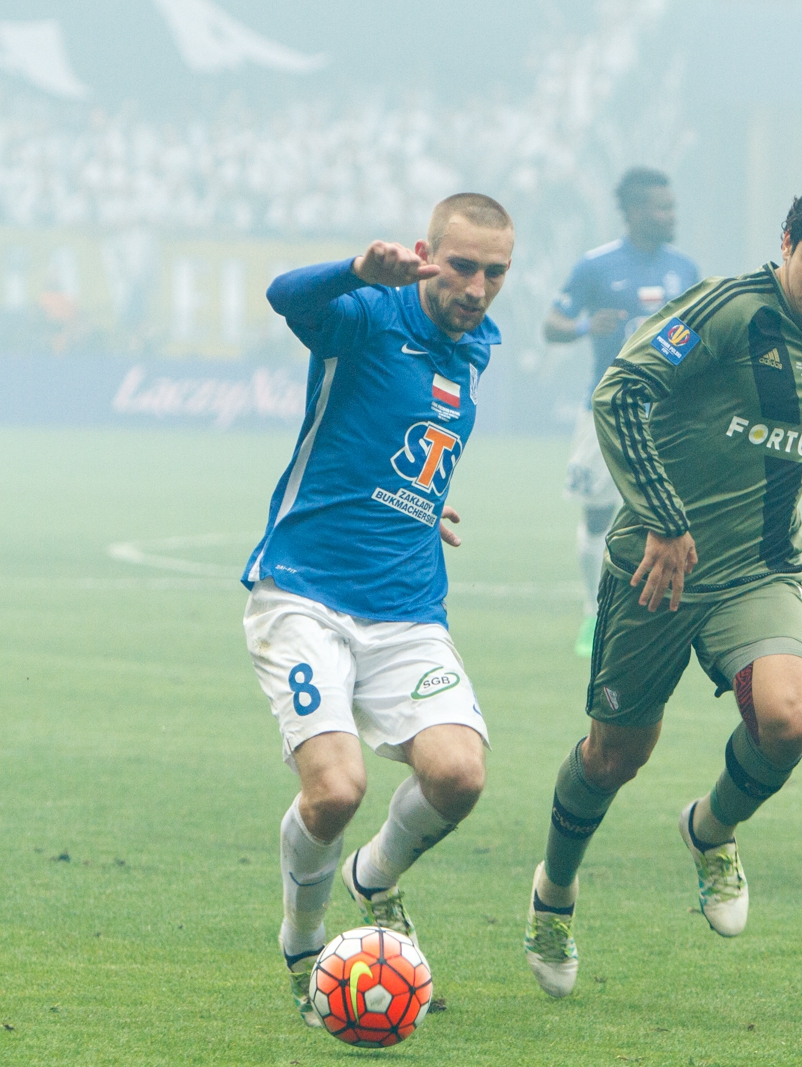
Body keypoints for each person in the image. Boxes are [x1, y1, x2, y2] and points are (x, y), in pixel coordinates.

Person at [523, 175, 802, 997]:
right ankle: (555, 890)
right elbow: (620, 392)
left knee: (787, 721)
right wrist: (664, 518)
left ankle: (710, 828)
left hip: (758, 570)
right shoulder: (729, 309)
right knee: (615, 756)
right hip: (658, 566)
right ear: (786, 244)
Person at [242, 193, 513, 1026]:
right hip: (305, 592)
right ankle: (304, 944)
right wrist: (356, 269)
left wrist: (422, 500)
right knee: (335, 792)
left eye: (495, 273)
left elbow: (413, 435)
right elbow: (285, 295)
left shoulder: (478, 346)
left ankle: (375, 876)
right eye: (461, 266)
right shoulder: (365, 315)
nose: (476, 288)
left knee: (459, 775)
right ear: (428, 254)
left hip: (407, 608)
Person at [543, 167, 699, 656]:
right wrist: (586, 326)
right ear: (634, 211)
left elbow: (699, 335)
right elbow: (552, 325)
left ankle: (660, 615)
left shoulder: (685, 270)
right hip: (607, 411)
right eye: (661, 207)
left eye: (672, 205)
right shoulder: (596, 266)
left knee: (672, 516)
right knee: (597, 515)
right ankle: (592, 613)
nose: (671, 214)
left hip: (668, 414)